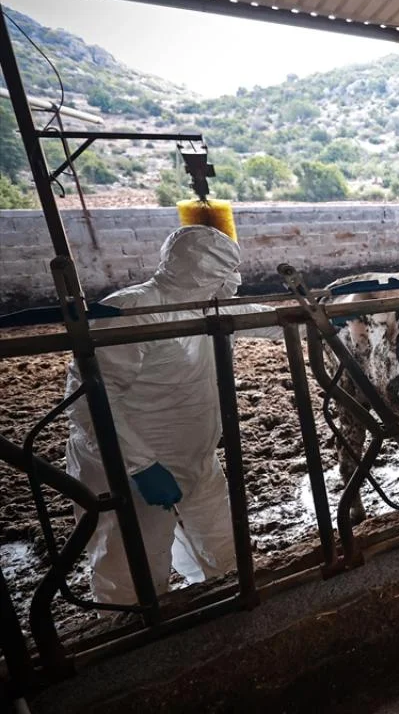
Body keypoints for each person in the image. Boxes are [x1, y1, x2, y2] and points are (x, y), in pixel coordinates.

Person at [66, 225, 278, 605]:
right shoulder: (130, 312)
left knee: (225, 551)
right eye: (227, 271)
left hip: (195, 458)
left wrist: (314, 316)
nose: (235, 281)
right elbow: (89, 401)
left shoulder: (205, 305)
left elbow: (258, 317)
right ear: (206, 273)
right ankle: (136, 634)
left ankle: (228, 613)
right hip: (126, 468)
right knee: (131, 572)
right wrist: (141, 465)